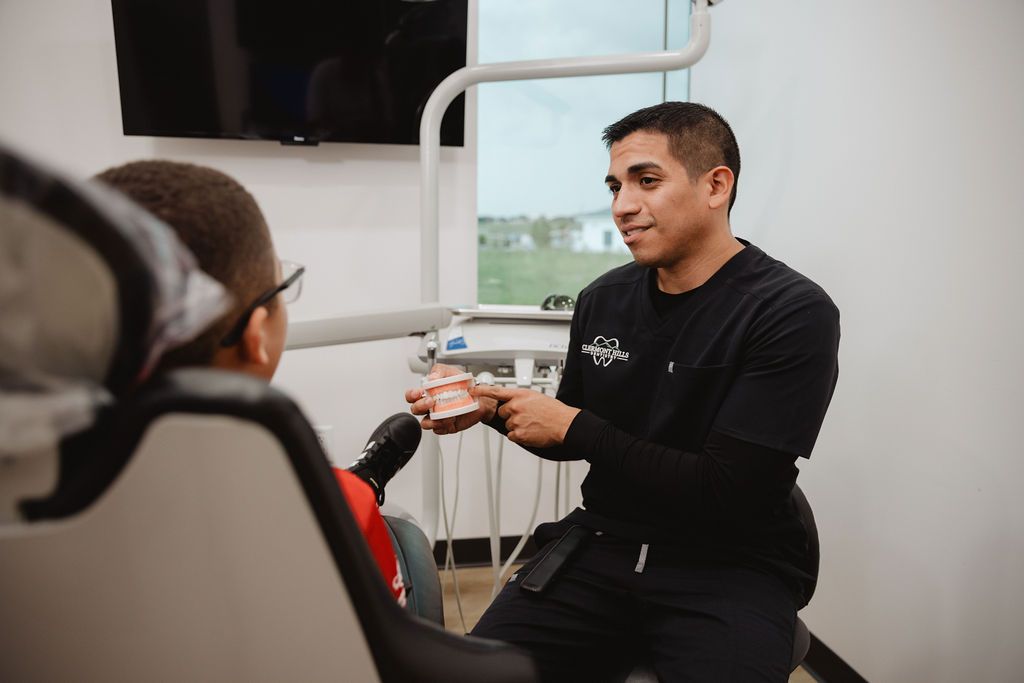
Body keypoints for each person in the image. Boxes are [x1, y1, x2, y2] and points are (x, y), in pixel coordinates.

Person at [406, 102, 840, 681]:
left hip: (730, 562)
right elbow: (570, 433)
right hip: (604, 543)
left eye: (646, 181)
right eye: (615, 185)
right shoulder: (603, 299)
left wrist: (573, 426)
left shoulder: (790, 312)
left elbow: (729, 489)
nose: (622, 206)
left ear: (716, 186)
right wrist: (489, 406)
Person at [95, 160, 418, 604]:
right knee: (350, 492)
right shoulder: (330, 512)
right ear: (255, 336)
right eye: (280, 287)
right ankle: (365, 480)